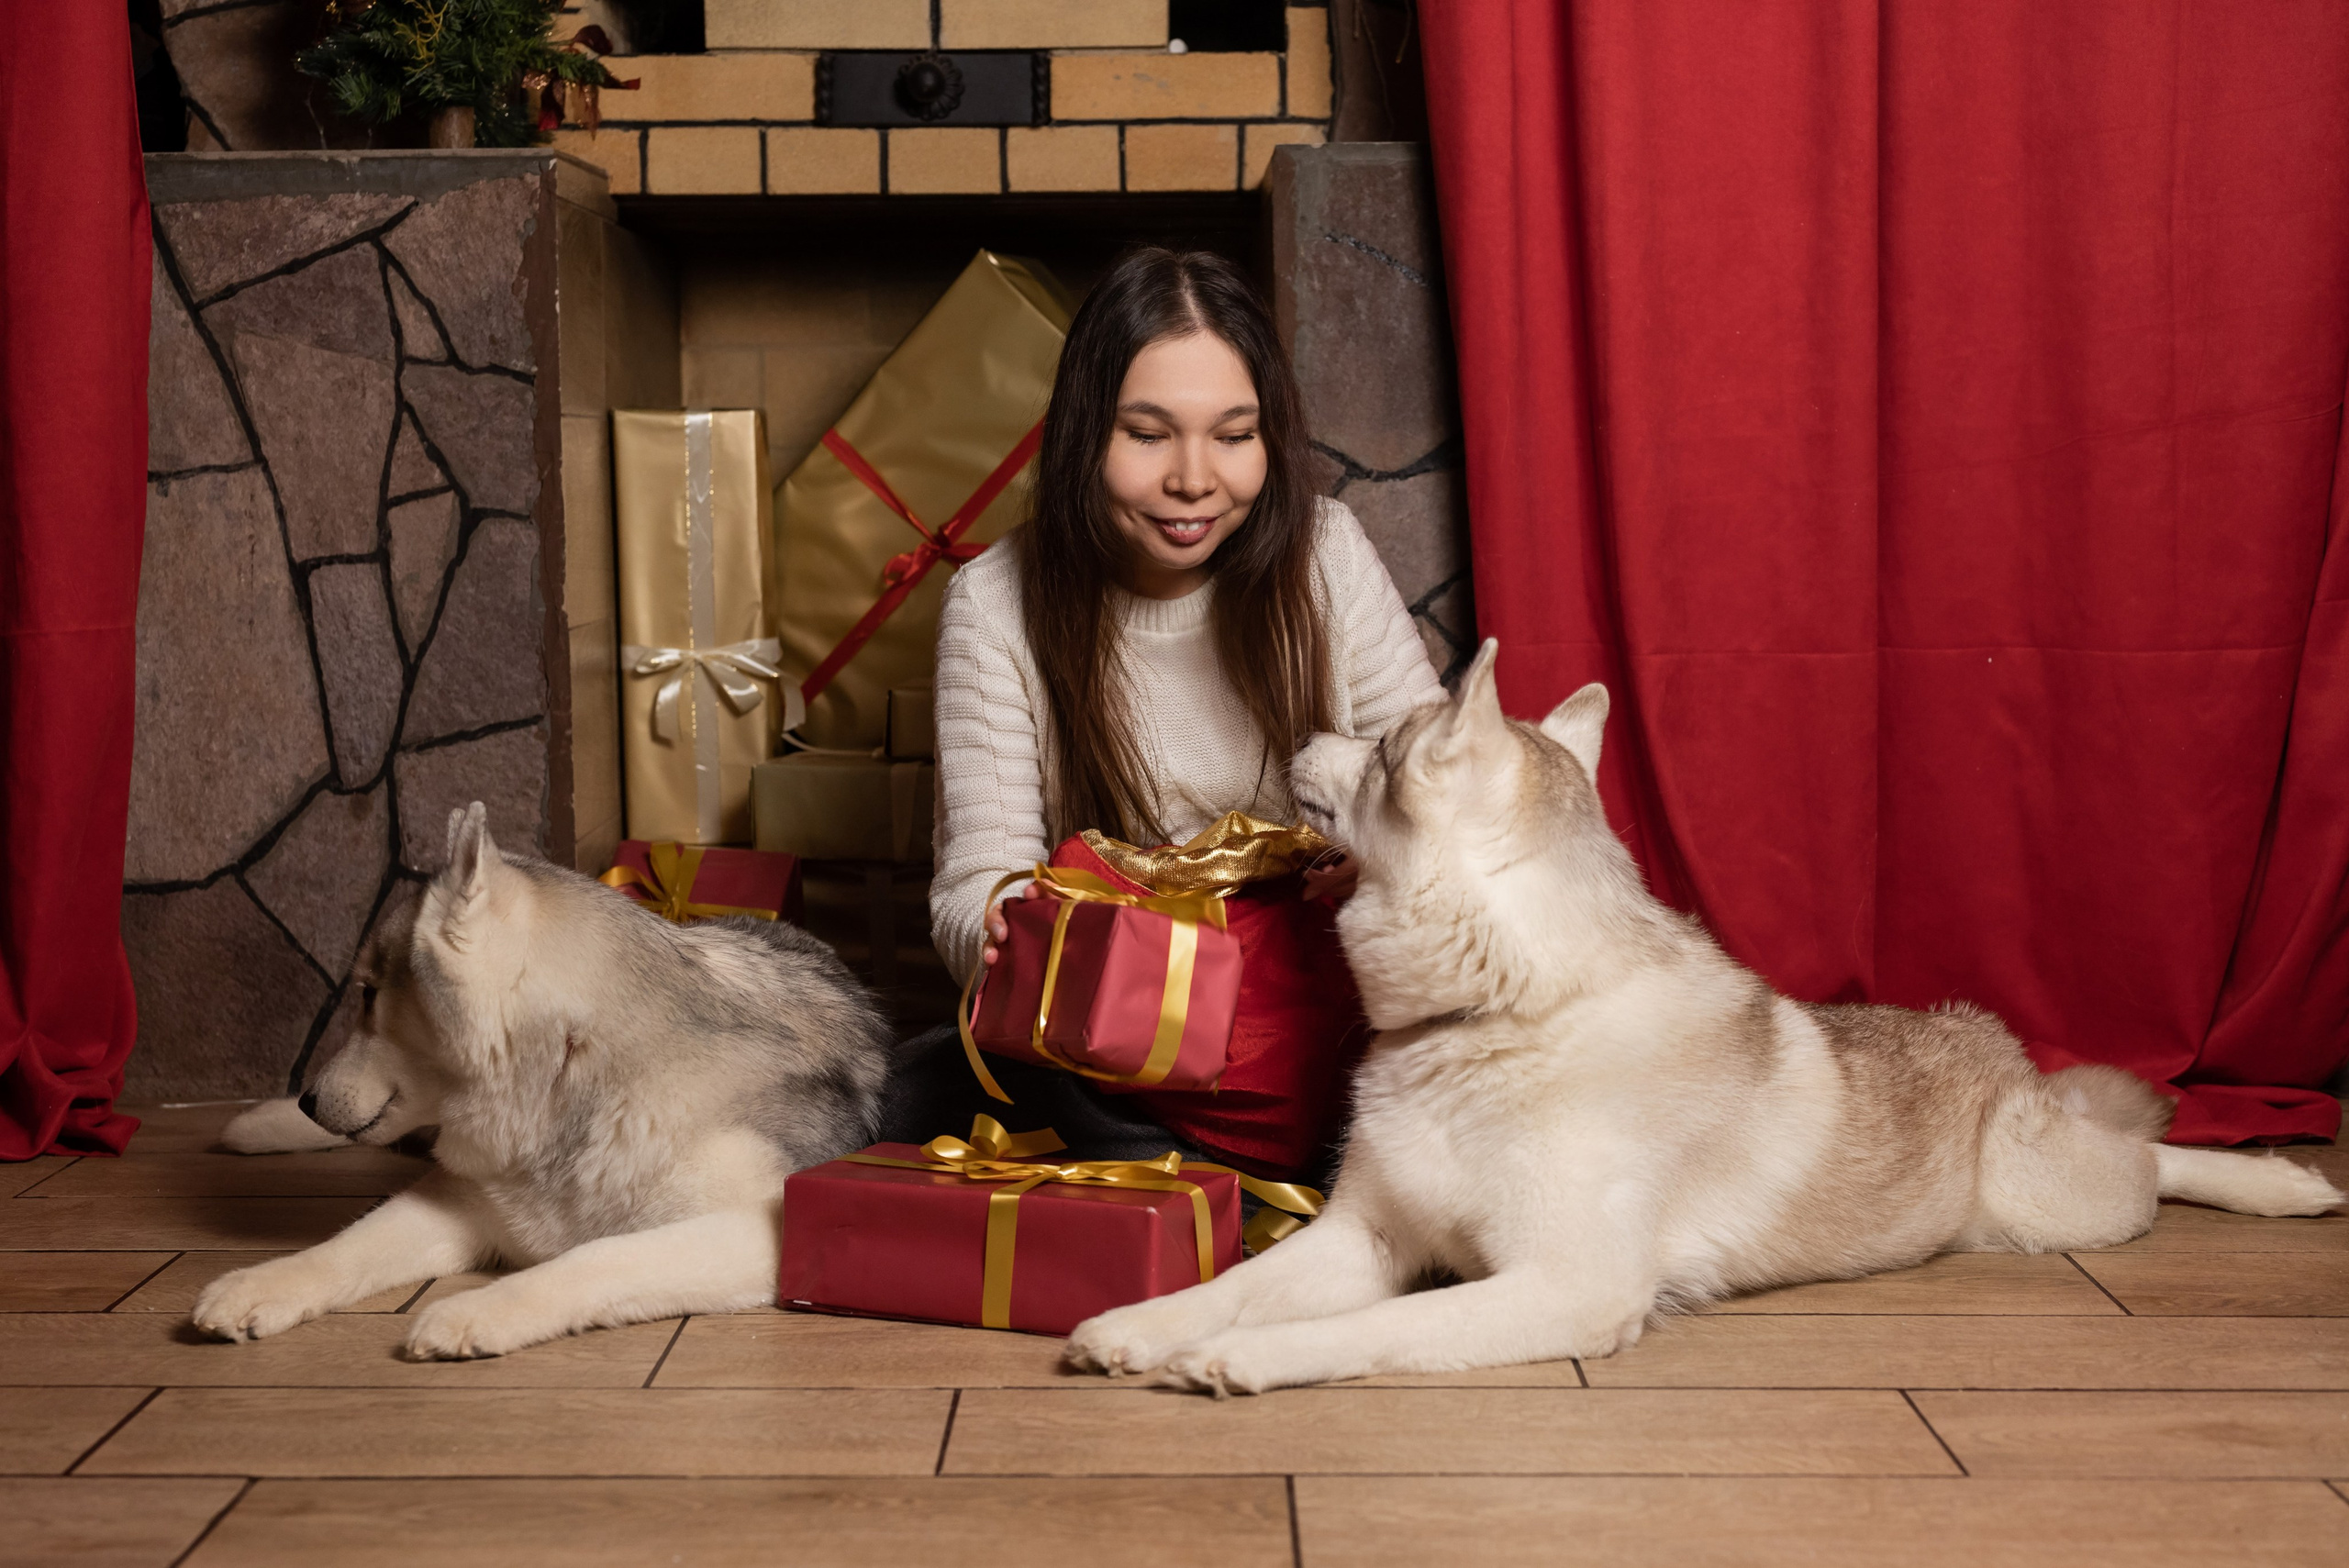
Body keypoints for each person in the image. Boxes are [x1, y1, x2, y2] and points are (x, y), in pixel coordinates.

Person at [879, 247, 1442, 1175]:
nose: (1195, 479)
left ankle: (1222, 1185)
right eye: (1147, 434)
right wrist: (1010, 928)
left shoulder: (1324, 553)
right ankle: (1214, 1186)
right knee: (884, 1110)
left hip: (1316, 1013)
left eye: (1233, 433)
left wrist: (1383, 843)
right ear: (1081, 433)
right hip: (1122, 1042)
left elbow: (1433, 786)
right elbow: (974, 882)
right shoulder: (997, 598)